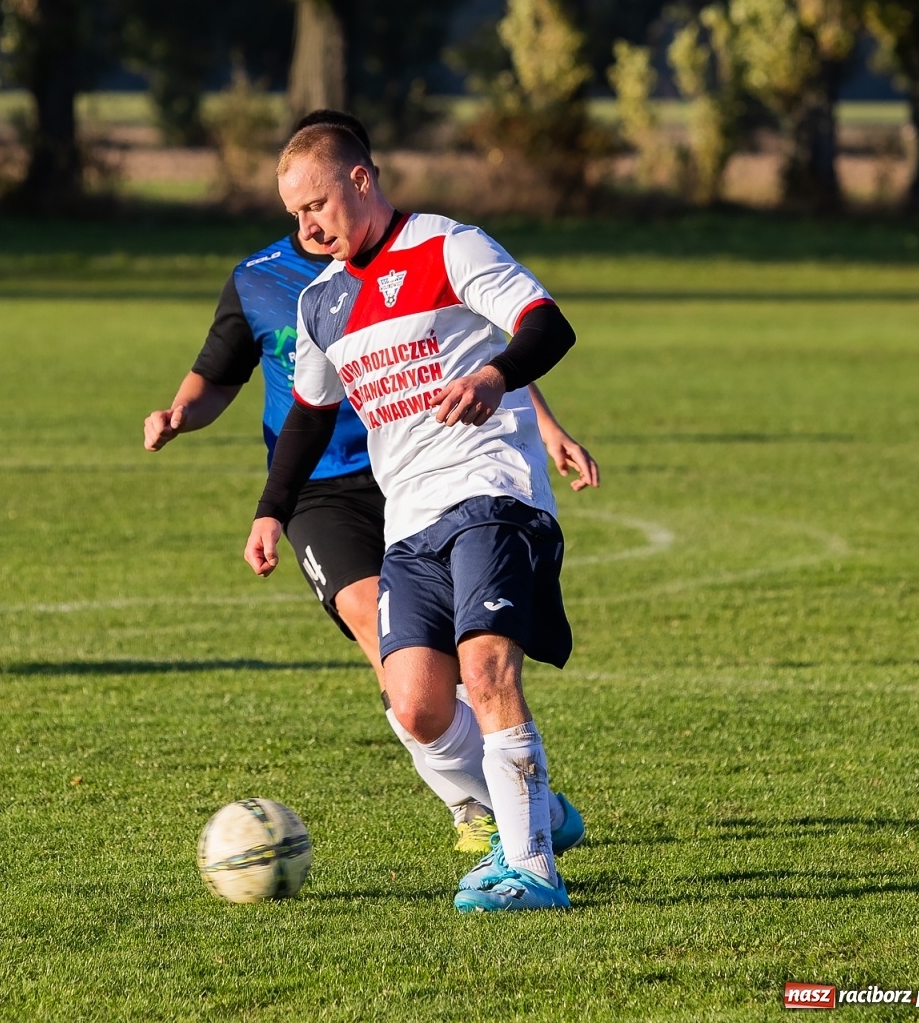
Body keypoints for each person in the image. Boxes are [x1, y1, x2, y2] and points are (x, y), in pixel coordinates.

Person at [148, 112, 599, 856]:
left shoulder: (446, 244)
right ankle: (512, 805)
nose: (308, 226)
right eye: (295, 213)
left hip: (476, 484)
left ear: (361, 179)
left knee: (482, 667)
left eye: (316, 206)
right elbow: (304, 411)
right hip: (364, 504)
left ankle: (524, 858)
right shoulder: (307, 294)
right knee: (415, 697)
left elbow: (527, 329)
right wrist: (269, 509)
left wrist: (511, 390)